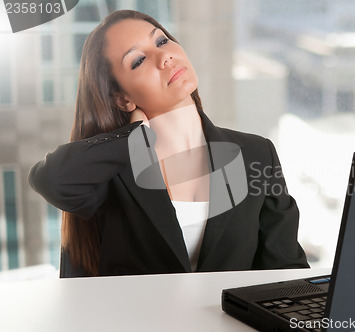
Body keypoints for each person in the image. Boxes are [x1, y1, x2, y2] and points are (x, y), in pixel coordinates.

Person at [28, 9, 309, 277]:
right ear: (123, 98)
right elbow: (51, 179)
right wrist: (134, 136)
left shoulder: (258, 155)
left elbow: (286, 272)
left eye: (161, 40)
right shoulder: (110, 172)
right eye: (138, 60)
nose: (164, 57)